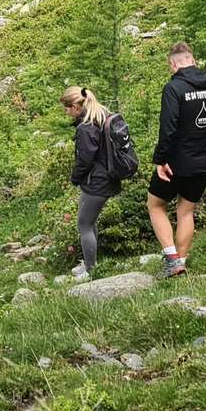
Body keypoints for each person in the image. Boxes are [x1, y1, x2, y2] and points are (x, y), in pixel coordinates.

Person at [147, 42, 206, 277]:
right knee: (186, 211)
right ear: (193, 60)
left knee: (156, 205)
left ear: (172, 64)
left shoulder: (174, 88)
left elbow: (167, 128)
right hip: (204, 160)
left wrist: (160, 159)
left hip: (177, 161)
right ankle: (180, 263)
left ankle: (171, 259)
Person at [62, 85, 132, 280]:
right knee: (90, 222)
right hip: (108, 177)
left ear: (76, 106)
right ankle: (90, 261)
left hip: (96, 182)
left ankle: (91, 270)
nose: (66, 112)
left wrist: (75, 178)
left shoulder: (86, 128)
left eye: (67, 108)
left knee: (84, 224)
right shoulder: (102, 115)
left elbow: (85, 160)